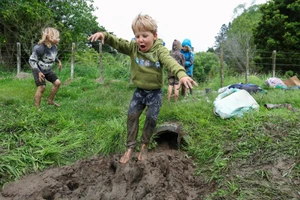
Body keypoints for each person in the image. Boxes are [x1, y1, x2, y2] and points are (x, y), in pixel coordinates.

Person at [88, 13, 198, 164]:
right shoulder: (133, 48)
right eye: (137, 35)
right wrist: (105, 36)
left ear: (154, 35)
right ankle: (130, 148)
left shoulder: (160, 50)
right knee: (132, 116)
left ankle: (144, 145)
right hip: (139, 91)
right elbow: (118, 43)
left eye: (145, 35)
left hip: (155, 93)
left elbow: (170, 62)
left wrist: (182, 74)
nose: (140, 39)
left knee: (151, 119)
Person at [29, 27, 62, 108]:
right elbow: (31, 61)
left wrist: (58, 61)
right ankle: (37, 108)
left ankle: (50, 101)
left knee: (57, 83)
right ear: (49, 37)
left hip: (48, 70)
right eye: (57, 37)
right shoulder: (39, 48)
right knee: (42, 87)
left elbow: (53, 56)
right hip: (38, 70)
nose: (59, 39)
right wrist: (38, 72)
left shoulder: (54, 47)